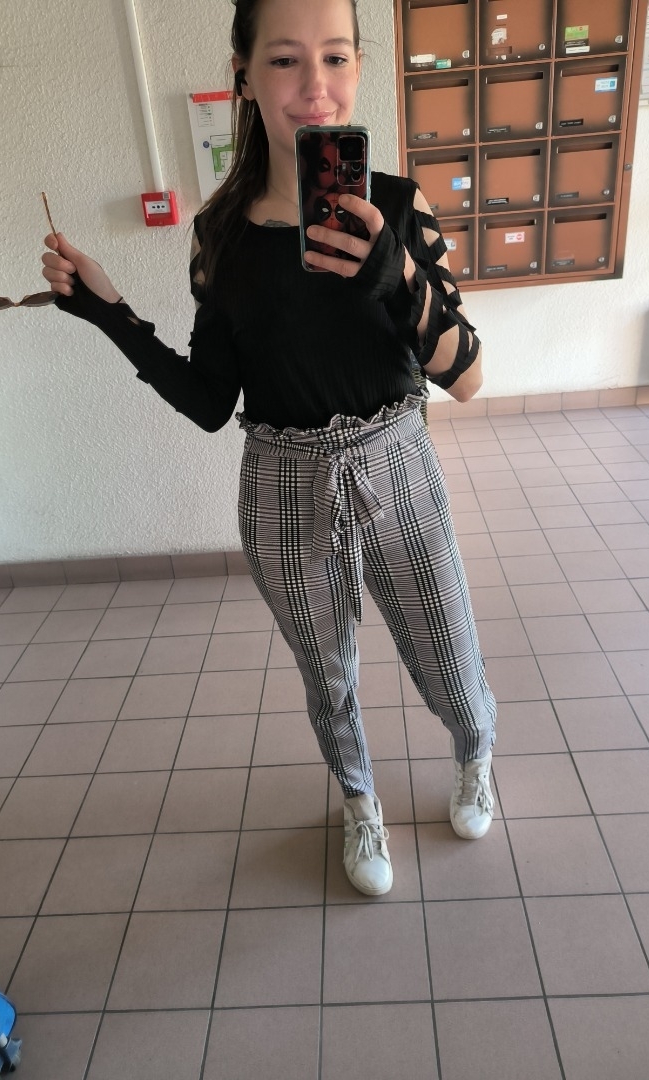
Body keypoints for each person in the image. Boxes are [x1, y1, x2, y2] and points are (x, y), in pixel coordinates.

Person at [41, 0, 497, 897]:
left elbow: (470, 375)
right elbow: (211, 402)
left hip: (397, 462)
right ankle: (359, 797)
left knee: (446, 638)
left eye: (336, 57)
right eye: (286, 61)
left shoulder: (396, 206)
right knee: (325, 667)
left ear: (358, 66)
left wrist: (394, 276)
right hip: (282, 480)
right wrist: (107, 313)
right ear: (244, 77)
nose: (315, 86)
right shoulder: (222, 236)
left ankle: (476, 753)